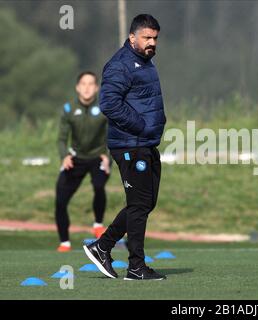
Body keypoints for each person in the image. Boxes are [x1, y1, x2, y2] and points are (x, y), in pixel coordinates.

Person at [83, 14, 167, 280]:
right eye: (147, 38)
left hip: (146, 143)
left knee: (144, 203)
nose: (152, 42)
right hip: (131, 144)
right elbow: (108, 103)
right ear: (132, 38)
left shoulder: (146, 62)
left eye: (155, 38)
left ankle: (102, 247)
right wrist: (141, 125)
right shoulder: (120, 65)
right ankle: (136, 266)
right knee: (140, 204)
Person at [55, 71, 111, 252]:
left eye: (91, 84)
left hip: (98, 157)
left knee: (99, 186)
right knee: (60, 200)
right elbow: (62, 139)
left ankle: (98, 224)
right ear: (77, 87)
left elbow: (113, 136)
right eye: (83, 84)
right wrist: (65, 156)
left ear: (96, 88)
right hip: (76, 158)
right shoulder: (69, 109)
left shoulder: (105, 108)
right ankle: (64, 242)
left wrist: (107, 156)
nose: (87, 88)